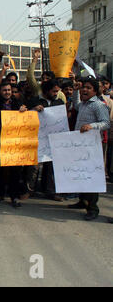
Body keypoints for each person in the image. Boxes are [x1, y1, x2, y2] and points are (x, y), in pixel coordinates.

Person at [0, 67, 27, 208]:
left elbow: (27, 116)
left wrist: (23, 111)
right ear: (0, 92)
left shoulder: (17, 103)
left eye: (9, 90)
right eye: (4, 90)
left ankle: (13, 197)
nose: (7, 92)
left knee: (14, 170)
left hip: (14, 141)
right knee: (0, 168)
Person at [68, 77, 110, 221]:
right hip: (80, 145)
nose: (84, 90)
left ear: (95, 90)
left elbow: (106, 123)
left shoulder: (98, 105)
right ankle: (82, 201)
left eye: (88, 88)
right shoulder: (84, 104)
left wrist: (92, 126)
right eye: (83, 87)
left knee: (91, 178)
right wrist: (74, 90)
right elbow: (76, 103)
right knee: (81, 174)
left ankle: (93, 208)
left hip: (92, 147)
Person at [27, 80, 65, 202]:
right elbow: (24, 117)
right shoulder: (34, 101)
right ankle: (29, 190)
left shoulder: (59, 102)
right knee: (33, 167)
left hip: (53, 140)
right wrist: (33, 110)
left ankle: (50, 191)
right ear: (46, 91)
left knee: (51, 167)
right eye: (54, 91)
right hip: (36, 139)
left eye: (57, 91)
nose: (56, 93)